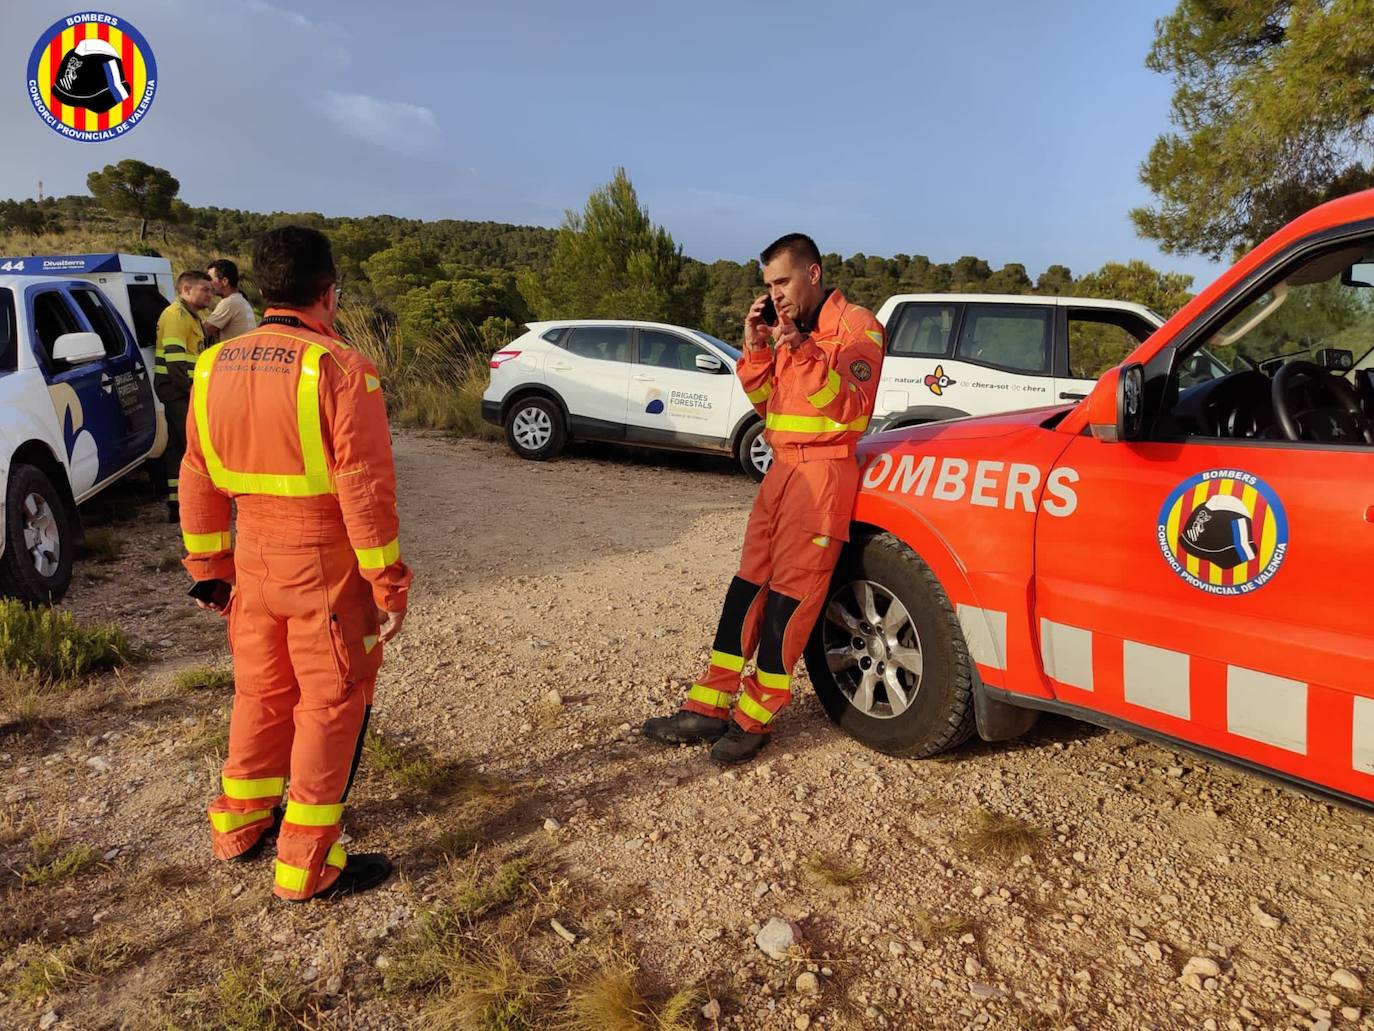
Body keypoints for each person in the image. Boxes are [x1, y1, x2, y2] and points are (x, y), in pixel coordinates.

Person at [180, 226, 412, 901]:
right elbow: (364, 492)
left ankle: (240, 825)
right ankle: (306, 865)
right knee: (330, 703)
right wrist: (388, 583)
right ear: (328, 291)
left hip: (251, 565)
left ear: (259, 286)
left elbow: (196, 474)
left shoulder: (214, 363)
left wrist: (209, 567)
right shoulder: (342, 368)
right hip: (324, 571)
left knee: (261, 694)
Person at [643, 233, 884, 764]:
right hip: (782, 471)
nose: (775, 293)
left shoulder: (857, 327)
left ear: (813, 273)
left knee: (790, 599)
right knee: (747, 586)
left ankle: (755, 717)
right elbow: (769, 403)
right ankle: (709, 705)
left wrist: (800, 348)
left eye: (782, 281)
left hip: (823, 475)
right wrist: (757, 346)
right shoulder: (787, 330)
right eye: (768, 284)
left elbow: (849, 410)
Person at [153, 270, 212, 522]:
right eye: (204, 289)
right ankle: (195, 502)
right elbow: (175, 361)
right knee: (191, 444)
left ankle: (177, 504)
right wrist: (190, 389)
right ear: (185, 290)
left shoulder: (191, 316)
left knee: (177, 447)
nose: (209, 294)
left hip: (180, 389)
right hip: (178, 389)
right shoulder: (176, 316)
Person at [203, 258, 257, 342]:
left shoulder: (229, 303)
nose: (208, 283)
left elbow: (202, 332)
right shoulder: (240, 300)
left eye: (210, 279)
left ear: (224, 281)